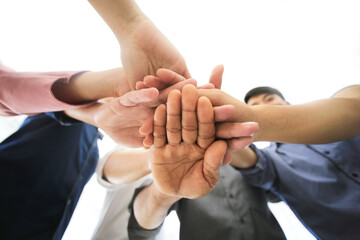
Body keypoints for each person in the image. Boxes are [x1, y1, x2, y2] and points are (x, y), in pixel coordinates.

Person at [126, 85, 286, 240]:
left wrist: (230, 136)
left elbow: (275, 194)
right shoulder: (174, 162)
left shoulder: (253, 158)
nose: (207, 119)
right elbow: (139, 233)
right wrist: (162, 194)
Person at [229, 86, 360, 240]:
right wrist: (226, 129)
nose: (265, 106)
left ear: (288, 103)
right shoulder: (272, 160)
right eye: (255, 106)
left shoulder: (342, 124)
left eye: (269, 99)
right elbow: (248, 160)